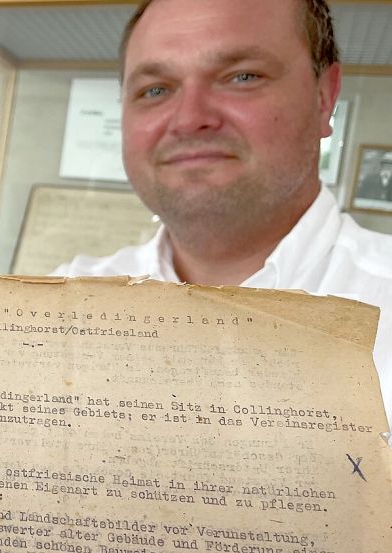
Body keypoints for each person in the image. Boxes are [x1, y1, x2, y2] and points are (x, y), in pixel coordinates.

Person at [53, 0, 392, 429]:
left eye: (242, 77)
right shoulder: (61, 302)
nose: (190, 119)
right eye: (155, 89)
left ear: (325, 97)